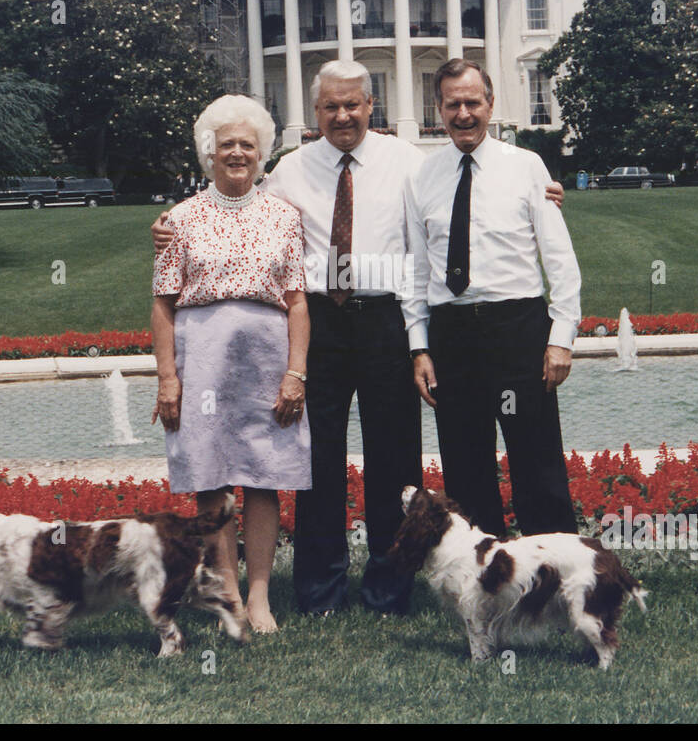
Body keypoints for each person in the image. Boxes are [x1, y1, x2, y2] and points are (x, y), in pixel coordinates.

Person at [153, 61, 566, 615]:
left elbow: (466, 189)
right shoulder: (289, 170)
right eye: (330, 107)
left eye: (353, 105)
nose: (343, 116)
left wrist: (544, 191)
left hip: (385, 319)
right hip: (317, 322)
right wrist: (170, 222)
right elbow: (234, 196)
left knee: (394, 457)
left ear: (372, 106)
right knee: (315, 458)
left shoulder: (411, 163)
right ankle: (320, 590)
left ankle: (389, 588)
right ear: (315, 111)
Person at [150, 94, 310, 634]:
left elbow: (297, 301)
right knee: (212, 476)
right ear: (209, 154)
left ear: (262, 153)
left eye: (247, 144)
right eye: (226, 145)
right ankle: (228, 598)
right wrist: (168, 377)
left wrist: (296, 372)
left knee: (265, 475)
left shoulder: (284, 217)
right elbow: (163, 304)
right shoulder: (179, 220)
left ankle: (261, 595)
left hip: (266, 357)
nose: (237, 153)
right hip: (204, 360)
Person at [403, 58, 582, 537]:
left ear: (491, 104)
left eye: (472, 103)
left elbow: (560, 259)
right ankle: (485, 584)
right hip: (452, 334)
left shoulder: (526, 167)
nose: (464, 114)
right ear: (437, 108)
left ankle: (557, 575)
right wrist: (419, 346)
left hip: (517, 329)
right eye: (452, 104)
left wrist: (561, 338)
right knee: (465, 467)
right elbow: (417, 270)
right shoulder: (422, 177)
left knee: (536, 461)